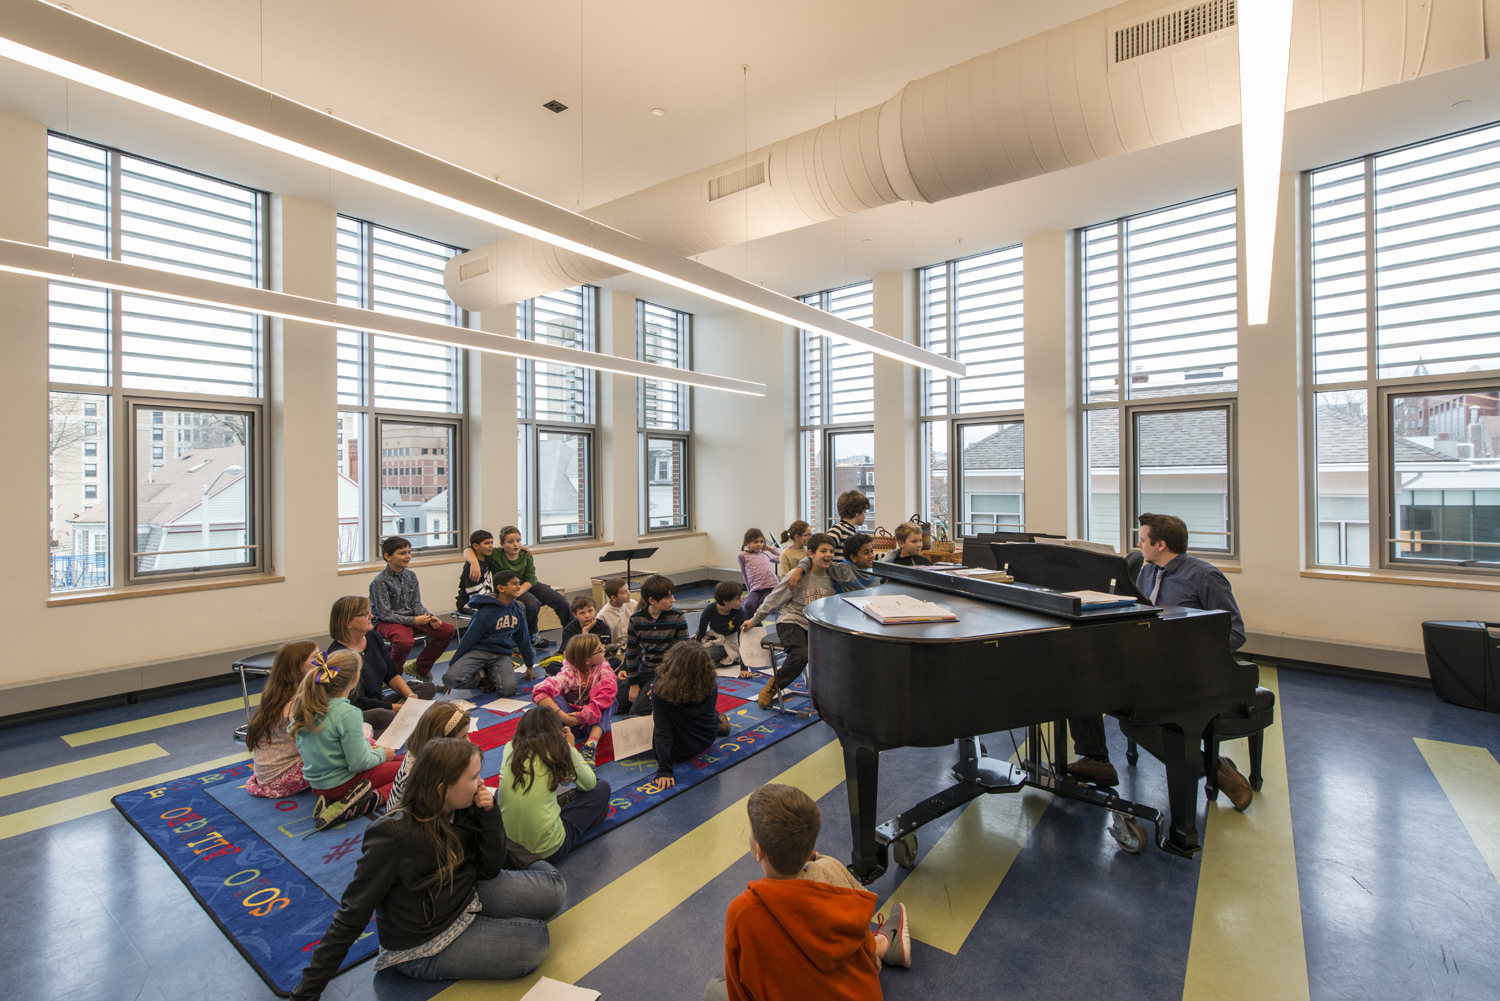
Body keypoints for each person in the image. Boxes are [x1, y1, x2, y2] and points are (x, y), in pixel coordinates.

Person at [289, 738, 566, 1000]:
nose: (481, 784)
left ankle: (488, 924)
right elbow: (352, 915)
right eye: (473, 778)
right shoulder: (392, 835)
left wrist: (490, 816)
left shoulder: (463, 806)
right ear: (442, 788)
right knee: (536, 940)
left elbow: (489, 869)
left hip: (463, 895)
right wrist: (307, 991)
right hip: (425, 943)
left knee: (554, 892)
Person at [1066, 512, 1253, 810]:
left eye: (1142, 540)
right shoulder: (1148, 571)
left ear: (1161, 544)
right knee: (1079, 684)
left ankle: (1215, 769)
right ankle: (1095, 758)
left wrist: (1184, 657)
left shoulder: (1205, 576)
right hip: (1152, 665)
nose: (1138, 545)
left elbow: (1235, 634)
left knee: (1136, 723)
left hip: (1188, 673)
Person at [704, 783, 910, 1001]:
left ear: (759, 852)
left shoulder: (742, 913)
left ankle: (883, 945)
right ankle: (883, 944)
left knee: (714, 989)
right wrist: (869, 953)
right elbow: (857, 930)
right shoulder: (831, 872)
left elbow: (740, 992)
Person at [291, 649, 402, 822]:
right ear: (355, 678)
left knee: (406, 760)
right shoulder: (347, 712)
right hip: (343, 782)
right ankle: (368, 800)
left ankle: (332, 800)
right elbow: (358, 763)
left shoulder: (308, 706)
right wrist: (380, 754)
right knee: (414, 770)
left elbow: (330, 747)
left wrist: (372, 750)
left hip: (319, 785)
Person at [497, 706, 612, 865]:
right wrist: (570, 748)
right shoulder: (559, 746)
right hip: (548, 852)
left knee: (504, 790)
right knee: (602, 787)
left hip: (509, 850)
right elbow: (589, 783)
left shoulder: (510, 746)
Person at [743, 534, 839, 710]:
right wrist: (755, 619)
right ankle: (775, 685)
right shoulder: (797, 575)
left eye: (831, 551)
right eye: (823, 551)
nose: (828, 555)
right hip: (791, 621)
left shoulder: (833, 577)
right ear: (811, 553)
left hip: (816, 625)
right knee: (799, 656)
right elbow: (774, 599)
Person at [328, 595, 438, 736]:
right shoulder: (339, 656)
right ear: (347, 623)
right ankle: (398, 721)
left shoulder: (373, 637)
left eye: (369, 611)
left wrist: (410, 697)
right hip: (358, 710)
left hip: (378, 702)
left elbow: (390, 672)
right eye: (365, 614)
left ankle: (396, 723)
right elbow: (358, 702)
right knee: (385, 715)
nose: (371, 616)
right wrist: (397, 708)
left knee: (428, 687)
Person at [463, 526, 571, 650]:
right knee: (532, 603)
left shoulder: (526, 555)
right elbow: (467, 548)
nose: (516, 544)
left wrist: (519, 591)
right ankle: (531, 636)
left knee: (561, 600)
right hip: (512, 586)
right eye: (511, 542)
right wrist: (474, 562)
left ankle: (572, 632)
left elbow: (530, 579)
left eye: (518, 541)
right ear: (502, 544)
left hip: (530, 584)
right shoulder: (495, 554)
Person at [370, 536, 457, 682]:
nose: (408, 556)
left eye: (409, 552)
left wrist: (428, 616)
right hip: (387, 623)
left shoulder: (410, 576)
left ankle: (420, 667)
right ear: (388, 556)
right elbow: (385, 614)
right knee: (404, 641)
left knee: (446, 630)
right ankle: (391, 677)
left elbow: (416, 604)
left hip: (411, 618)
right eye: (402, 553)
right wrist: (415, 620)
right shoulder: (380, 581)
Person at [651, 643, 732, 789]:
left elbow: (662, 733)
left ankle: (721, 723)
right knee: (709, 714)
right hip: (707, 740)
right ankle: (721, 723)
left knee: (657, 720)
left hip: (678, 753)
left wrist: (665, 770)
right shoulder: (710, 682)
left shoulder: (660, 690)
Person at [244, 640, 318, 798]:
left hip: (269, 774)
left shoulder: (282, 691)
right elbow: (313, 743)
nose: (322, 660)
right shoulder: (293, 702)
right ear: (297, 668)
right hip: (278, 777)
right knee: (338, 754)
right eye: (315, 657)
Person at [532, 633, 618, 765]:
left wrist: (584, 715)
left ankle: (590, 745)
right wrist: (564, 717)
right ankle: (560, 742)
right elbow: (539, 691)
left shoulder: (604, 669)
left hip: (592, 722)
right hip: (570, 723)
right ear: (587, 660)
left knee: (611, 701)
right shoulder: (569, 673)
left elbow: (607, 692)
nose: (604, 649)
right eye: (600, 649)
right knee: (555, 699)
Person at [447, 570, 536, 694]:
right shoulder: (485, 613)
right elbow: (467, 640)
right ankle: (482, 677)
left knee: (508, 690)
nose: (518, 587)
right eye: (514, 583)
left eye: (519, 583)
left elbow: (523, 639)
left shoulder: (518, 610)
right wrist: (453, 665)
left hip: (501, 654)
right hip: (479, 652)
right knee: (451, 679)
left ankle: (489, 676)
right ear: (501, 588)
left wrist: (529, 665)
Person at [386, 701, 473, 813]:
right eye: (462, 738)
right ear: (442, 743)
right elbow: (424, 817)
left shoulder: (432, 757)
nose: (469, 742)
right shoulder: (418, 775)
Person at [621, 574, 689, 716]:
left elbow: (684, 654)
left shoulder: (677, 617)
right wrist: (633, 685)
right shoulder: (636, 619)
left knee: (636, 712)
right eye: (668, 597)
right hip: (645, 669)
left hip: (667, 672)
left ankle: (662, 706)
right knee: (616, 703)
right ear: (652, 600)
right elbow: (631, 653)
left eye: (672, 595)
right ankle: (659, 703)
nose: (673, 600)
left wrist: (665, 681)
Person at [784, 534, 876, 594]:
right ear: (853, 557)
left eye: (872, 551)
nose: (871, 555)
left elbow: (888, 558)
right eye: (866, 552)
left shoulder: (875, 569)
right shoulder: (842, 570)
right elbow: (812, 558)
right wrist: (799, 569)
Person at [697, 580, 749, 676]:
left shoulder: (740, 613)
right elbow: (700, 632)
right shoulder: (709, 609)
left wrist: (744, 669)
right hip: (714, 637)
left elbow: (742, 640)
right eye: (737, 599)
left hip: (729, 641)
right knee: (693, 654)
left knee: (706, 656)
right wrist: (693, 651)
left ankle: (727, 657)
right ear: (725, 601)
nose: (741, 600)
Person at [559, 594, 615, 673]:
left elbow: (599, 652)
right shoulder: (569, 630)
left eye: (590, 611)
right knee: (553, 666)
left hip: (597, 662)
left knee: (615, 662)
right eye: (582, 613)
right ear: (575, 614)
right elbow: (567, 654)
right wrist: (584, 633)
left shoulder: (603, 627)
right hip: (577, 663)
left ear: (595, 609)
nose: (587, 616)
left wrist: (585, 634)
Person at [737, 529, 781, 620]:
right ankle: (754, 628)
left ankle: (754, 626)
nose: (759, 544)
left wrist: (769, 548)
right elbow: (745, 575)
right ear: (747, 543)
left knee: (760, 606)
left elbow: (782, 558)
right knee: (749, 605)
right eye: (755, 542)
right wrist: (749, 592)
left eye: (761, 542)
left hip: (771, 587)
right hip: (756, 589)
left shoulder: (765, 553)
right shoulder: (742, 555)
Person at [456, 529, 496, 614]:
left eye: (491, 542)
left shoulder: (487, 560)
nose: (491, 546)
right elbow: (475, 595)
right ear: (476, 546)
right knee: (493, 612)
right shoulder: (471, 568)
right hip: (469, 603)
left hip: (486, 599)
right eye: (487, 543)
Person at [597, 577, 636, 662]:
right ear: (614, 598)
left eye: (628, 590)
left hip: (632, 647)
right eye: (624, 592)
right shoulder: (602, 615)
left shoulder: (633, 605)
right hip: (614, 653)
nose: (629, 593)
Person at [825, 489, 870, 557]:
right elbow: (825, 548)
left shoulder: (853, 532)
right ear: (857, 513)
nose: (865, 516)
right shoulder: (839, 528)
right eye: (864, 512)